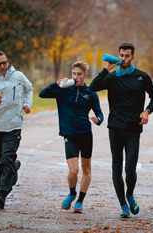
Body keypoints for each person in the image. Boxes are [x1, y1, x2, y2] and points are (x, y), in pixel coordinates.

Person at [89, 43, 153, 218]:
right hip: (115, 127)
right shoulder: (111, 78)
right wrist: (106, 69)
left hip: (134, 127)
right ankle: (123, 206)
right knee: (116, 165)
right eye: (121, 55)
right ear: (118, 56)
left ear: (133, 58)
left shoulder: (142, 77)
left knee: (130, 169)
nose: (124, 59)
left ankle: (130, 194)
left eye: (127, 56)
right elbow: (92, 87)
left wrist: (147, 110)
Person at [39, 61, 103, 214]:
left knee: (86, 169)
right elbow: (42, 94)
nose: (76, 77)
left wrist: (98, 119)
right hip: (69, 134)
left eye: (79, 74)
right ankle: (72, 192)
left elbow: (99, 113)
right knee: (73, 170)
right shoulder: (62, 90)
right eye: (74, 74)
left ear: (85, 76)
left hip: (86, 134)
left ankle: (80, 201)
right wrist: (57, 84)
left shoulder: (91, 93)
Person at [0, 51, 33, 209]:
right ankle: (14, 166)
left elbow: (29, 89)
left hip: (14, 126)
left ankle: (2, 194)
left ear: (8, 61)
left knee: (6, 159)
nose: (3, 66)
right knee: (0, 160)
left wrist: (27, 104)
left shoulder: (18, 76)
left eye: (5, 62)